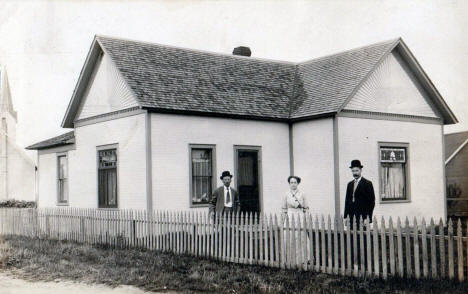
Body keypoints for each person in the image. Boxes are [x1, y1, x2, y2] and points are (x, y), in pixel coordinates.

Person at [343, 159, 375, 228]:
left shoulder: (367, 184)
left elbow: (371, 202)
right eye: (353, 171)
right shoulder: (350, 184)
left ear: (361, 170)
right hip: (351, 218)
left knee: (362, 237)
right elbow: (347, 201)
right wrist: (345, 216)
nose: (355, 173)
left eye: (357, 171)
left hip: (362, 218)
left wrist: (368, 217)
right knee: (351, 237)